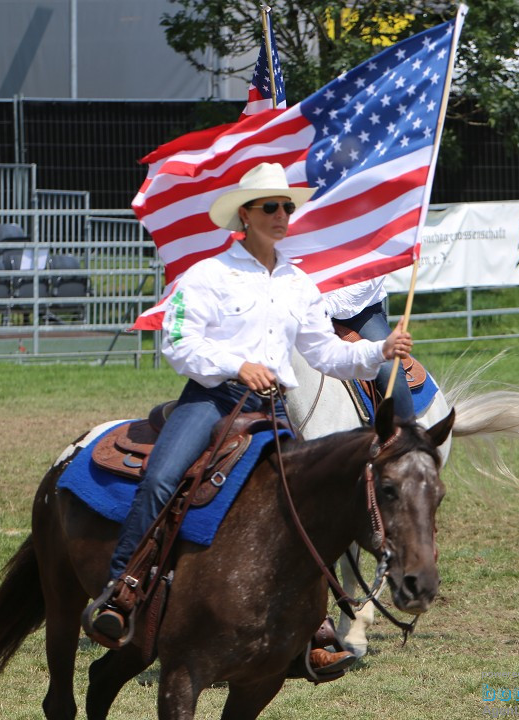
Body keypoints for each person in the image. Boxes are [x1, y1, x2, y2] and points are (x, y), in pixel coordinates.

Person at [85, 163, 413, 666]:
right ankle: (122, 590)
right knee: (161, 479)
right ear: (245, 215)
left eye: (287, 206)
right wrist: (236, 363)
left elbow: (325, 353)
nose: (282, 214)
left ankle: (310, 624)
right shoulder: (209, 275)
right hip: (211, 401)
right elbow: (177, 342)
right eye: (271, 207)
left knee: (307, 504)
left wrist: (379, 351)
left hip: (273, 410)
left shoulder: (300, 284)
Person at [323, 277, 415, 421]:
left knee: (388, 368)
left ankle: (407, 435)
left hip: (359, 312)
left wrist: (326, 308)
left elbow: (370, 275)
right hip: (300, 314)